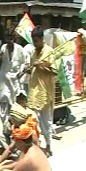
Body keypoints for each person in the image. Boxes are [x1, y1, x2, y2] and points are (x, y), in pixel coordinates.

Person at [0, 91, 40, 171]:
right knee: (1, 136)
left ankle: (14, 155)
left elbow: (22, 162)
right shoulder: (21, 127)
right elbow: (10, 149)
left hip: (30, 163)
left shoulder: (29, 133)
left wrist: (1, 167)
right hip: (23, 154)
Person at [27, 26, 57, 156]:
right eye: (33, 41)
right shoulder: (33, 53)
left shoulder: (49, 52)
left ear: (42, 39)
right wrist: (30, 69)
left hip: (45, 92)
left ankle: (49, 146)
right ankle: (35, 147)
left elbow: (54, 72)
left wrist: (41, 66)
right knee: (33, 121)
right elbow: (33, 68)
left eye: (37, 40)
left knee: (46, 122)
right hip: (33, 90)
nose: (35, 43)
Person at [0, 33, 26, 132]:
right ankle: (5, 131)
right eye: (7, 39)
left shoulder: (20, 49)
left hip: (14, 83)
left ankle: (13, 131)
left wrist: (21, 74)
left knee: (14, 108)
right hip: (4, 82)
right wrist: (0, 57)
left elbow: (25, 64)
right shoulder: (3, 48)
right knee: (3, 107)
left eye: (11, 39)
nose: (9, 42)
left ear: (14, 39)